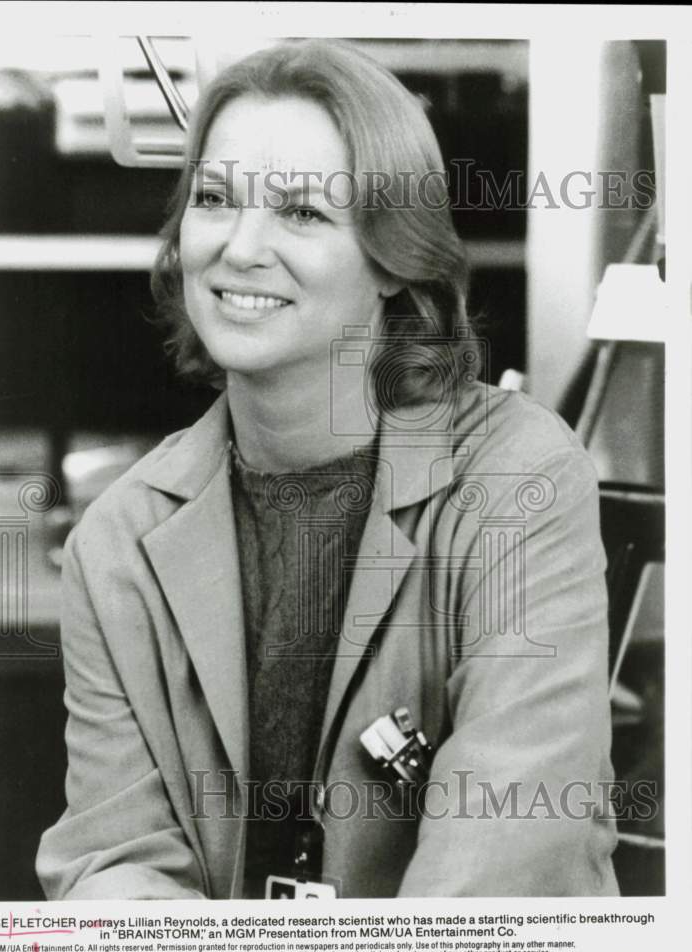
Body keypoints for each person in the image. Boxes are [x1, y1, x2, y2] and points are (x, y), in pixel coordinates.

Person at [36, 38, 619, 899]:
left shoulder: (519, 478)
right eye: (212, 199)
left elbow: (499, 861)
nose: (238, 247)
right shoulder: (117, 542)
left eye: (301, 212)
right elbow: (112, 868)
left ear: (394, 257)